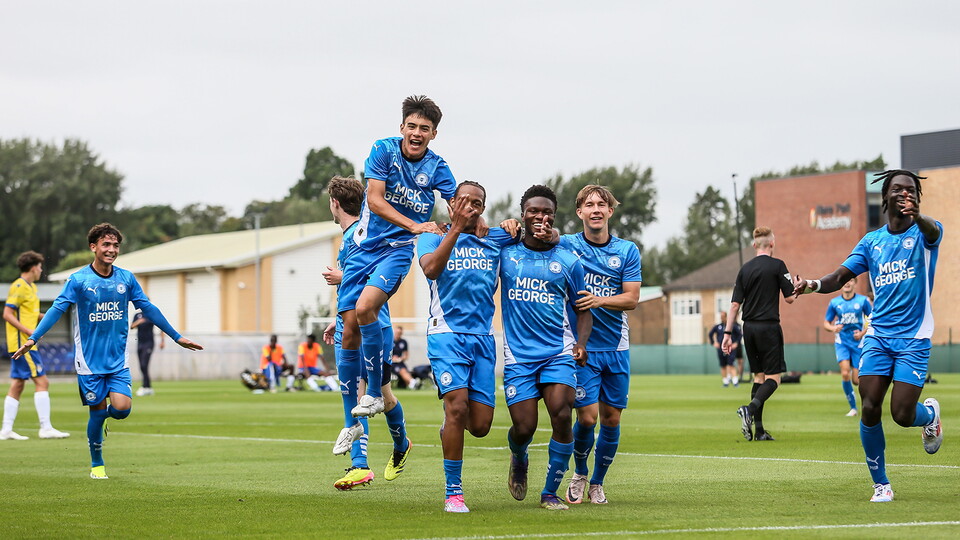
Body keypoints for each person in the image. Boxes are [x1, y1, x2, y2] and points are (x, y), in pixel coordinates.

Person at [792, 170, 942, 503]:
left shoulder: (926, 231)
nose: (905, 195)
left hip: (914, 338)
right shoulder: (871, 242)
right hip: (878, 335)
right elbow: (839, 276)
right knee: (870, 405)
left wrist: (920, 217)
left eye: (911, 191)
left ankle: (929, 415)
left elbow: (932, 230)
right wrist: (812, 284)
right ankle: (882, 484)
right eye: (898, 189)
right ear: (885, 196)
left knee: (902, 414)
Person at [12, 223, 202, 478]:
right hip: (89, 362)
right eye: (106, 245)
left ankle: (102, 420)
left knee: (122, 409)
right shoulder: (79, 280)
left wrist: (176, 336)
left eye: (115, 246)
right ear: (94, 247)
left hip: (118, 360)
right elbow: (57, 309)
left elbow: (148, 308)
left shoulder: (126, 278)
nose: (111, 250)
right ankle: (97, 463)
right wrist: (33, 338)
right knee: (97, 411)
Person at [418, 181, 529, 512]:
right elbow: (431, 268)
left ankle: (450, 428)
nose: (469, 206)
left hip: (482, 338)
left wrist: (515, 227)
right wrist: (455, 228)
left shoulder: (493, 239)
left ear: (482, 208)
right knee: (457, 407)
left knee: (479, 426)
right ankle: (454, 492)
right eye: (463, 200)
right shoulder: (432, 235)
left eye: (476, 202)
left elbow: (532, 238)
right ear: (451, 203)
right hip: (446, 334)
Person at [344, 95, 458, 418]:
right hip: (362, 248)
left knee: (366, 307)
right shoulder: (383, 149)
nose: (417, 133)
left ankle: (375, 389)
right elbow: (376, 200)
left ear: (433, 133)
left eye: (425, 128)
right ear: (402, 127)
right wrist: (416, 224)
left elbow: (459, 206)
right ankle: (378, 410)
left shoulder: (437, 166)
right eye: (412, 126)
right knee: (351, 324)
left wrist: (479, 227)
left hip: (396, 251)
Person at [501, 185, 592, 511]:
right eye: (533, 211)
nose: (540, 216)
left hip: (558, 352)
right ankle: (519, 455)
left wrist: (580, 345)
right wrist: (503, 226)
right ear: (522, 214)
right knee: (524, 427)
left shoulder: (569, 261)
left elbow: (584, 311)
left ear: (554, 216)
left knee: (562, 414)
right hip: (518, 357)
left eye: (547, 212)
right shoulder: (505, 253)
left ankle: (550, 493)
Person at [322, 176, 410, 490]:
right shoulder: (349, 237)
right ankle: (362, 464)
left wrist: (342, 274)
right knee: (367, 396)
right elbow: (352, 293)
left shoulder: (363, 236)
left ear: (335, 204)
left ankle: (398, 446)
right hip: (352, 327)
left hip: (375, 329)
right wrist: (338, 318)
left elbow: (373, 278)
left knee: (376, 397)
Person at [557, 185, 640, 506]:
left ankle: (598, 483)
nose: (595, 209)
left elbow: (632, 298)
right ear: (579, 212)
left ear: (610, 211)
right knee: (587, 418)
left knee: (612, 420)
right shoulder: (567, 245)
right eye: (588, 204)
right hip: (583, 348)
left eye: (601, 204)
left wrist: (599, 300)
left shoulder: (627, 250)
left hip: (616, 348)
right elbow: (537, 237)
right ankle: (579, 473)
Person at [723, 226, 795, 442]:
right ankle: (749, 409)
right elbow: (790, 297)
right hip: (769, 327)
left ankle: (760, 431)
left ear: (754, 245)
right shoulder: (778, 266)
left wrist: (727, 332)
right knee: (774, 379)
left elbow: (735, 305)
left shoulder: (744, 269)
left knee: (758, 377)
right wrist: (800, 287)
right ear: (772, 243)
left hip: (748, 329)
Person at [2, 250, 69, 440]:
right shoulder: (19, 286)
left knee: (18, 383)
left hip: (26, 341)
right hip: (23, 343)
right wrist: (29, 331)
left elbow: (30, 314)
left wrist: (47, 317)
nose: (41, 270)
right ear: (33, 268)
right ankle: (45, 427)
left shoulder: (31, 288)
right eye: (40, 267)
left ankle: (6, 429)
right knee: (42, 381)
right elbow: (7, 314)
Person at [823, 276, 871, 416]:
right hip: (842, 342)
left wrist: (862, 333)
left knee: (857, 380)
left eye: (850, 281)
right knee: (845, 373)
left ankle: (868, 403)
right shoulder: (835, 303)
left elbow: (873, 319)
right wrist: (833, 328)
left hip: (858, 343)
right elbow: (826, 323)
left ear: (855, 284)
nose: (847, 283)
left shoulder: (863, 301)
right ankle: (853, 408)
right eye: (845, 281)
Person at [131, 310, 164, 396]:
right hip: (139, 343)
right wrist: (139, 321)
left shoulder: (151, 314)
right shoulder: (137, 315)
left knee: (144, 364)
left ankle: (145, 387)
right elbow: (132, 326)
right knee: (141, 366)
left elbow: (162, 326)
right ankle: (148, 387)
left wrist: (162, 341)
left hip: (149, 343)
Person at [709, 312, 741, 387]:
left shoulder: (732, 325)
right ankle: (725, 382)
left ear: (726, 317)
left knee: (731, 363)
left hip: (730, 348)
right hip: (720, 348)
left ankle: (735, 381)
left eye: (723, 316)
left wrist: (736, 343)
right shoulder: (718, 326)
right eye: (721, 316)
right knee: (723, 365)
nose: (721, 318)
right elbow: (710, 334)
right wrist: (713, 343)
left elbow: (740, 334)